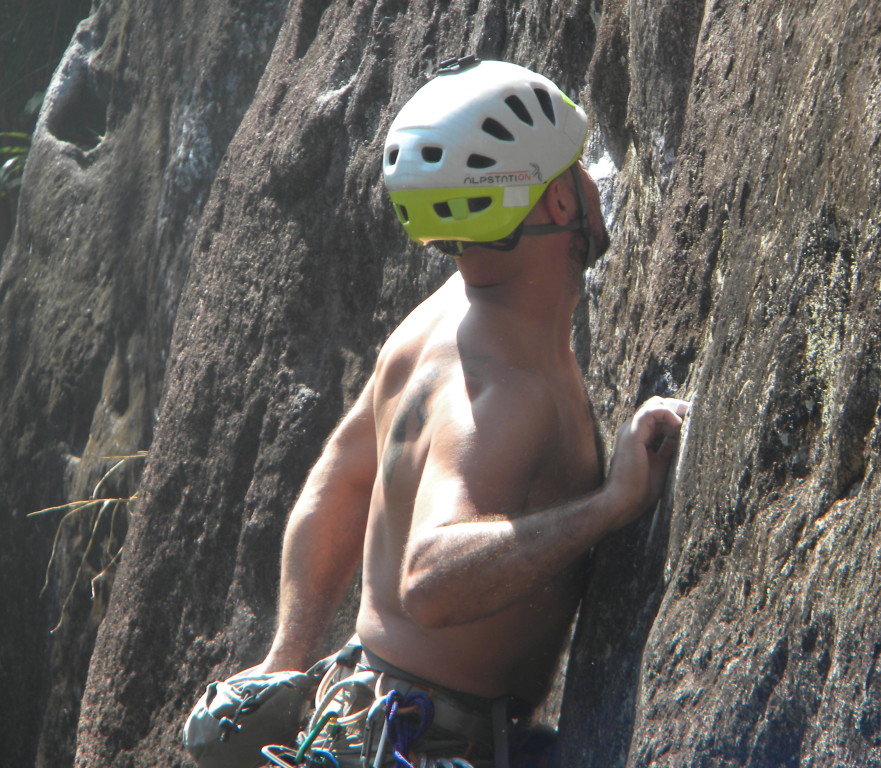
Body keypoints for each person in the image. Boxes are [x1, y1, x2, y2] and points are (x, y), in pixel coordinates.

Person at [241, 57, 688, 768]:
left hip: (368, 715)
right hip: (432, 746)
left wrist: (284, 660)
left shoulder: (432, 321)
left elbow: (342, 478)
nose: (595, 184)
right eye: (577, 168)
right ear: (558, 205)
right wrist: (612, 504)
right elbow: (429, 579)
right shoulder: (503, 392)